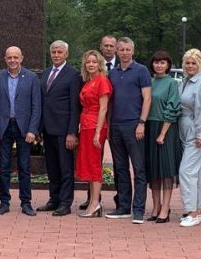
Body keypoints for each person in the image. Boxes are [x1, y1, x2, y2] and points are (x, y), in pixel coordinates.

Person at [0, 46, 42, 216]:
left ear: (22, 58)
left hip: (24, 128)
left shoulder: (32, 77)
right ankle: (4, 202)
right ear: (5, 59)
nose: (12, 60)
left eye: (15, 57)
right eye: (9, 57)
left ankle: (26, 203)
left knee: (24, 166)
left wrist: (33, 129)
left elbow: (36, 106)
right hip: (4, 127)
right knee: (4, 167)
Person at [105, 37, 152, 224]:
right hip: (116, 126)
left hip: (134, 125)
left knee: (139, 169)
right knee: (120, 168)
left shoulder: (141, 71)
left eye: (127, 50)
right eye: (121, 49)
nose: (124, 53)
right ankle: (123, 206)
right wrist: (108, 125)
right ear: (117, 51)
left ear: (133, 51)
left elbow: (147, 99)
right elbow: (109, 102)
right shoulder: (113, 73)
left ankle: (138, 209)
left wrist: (142, 122)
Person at [39, 40, 81, 216]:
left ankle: (65, 202)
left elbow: (74, 106)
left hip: (64, 131)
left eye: (59, 52)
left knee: (65, 168)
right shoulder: (46, 72)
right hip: (48, 129)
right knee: (52, 167)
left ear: (66, 54)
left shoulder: (73, 75)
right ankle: (54, 199)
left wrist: (72, 132)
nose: (56, 55)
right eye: (54, 52)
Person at [177, 49, 201, 228]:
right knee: (195, 171)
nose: (190, 66)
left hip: (197, 131)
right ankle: (199, 211)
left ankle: (190, 211)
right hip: (185, 130)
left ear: (200, 65)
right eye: (187, 63)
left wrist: (200, 133)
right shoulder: (184, 81)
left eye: (193, 63)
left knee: (186, 171)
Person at [145, 50, 182, 223]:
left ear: (168, 65)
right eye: (156, 62)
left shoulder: (172, 83)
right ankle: (156, 206)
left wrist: (162, 133)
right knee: (153, 169)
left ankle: (165, 208)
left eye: (163, 62)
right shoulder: (149, 82)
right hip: (149, 126)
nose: (159, 65)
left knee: (165, 170)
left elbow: (173, 107)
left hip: (165, 128)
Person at [75, 49, 111, 218]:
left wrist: (97, 132)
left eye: (94, 62)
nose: (91, 64)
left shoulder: (102, 81)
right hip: (86, 125)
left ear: (100, 64)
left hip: (96, 125)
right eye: (88, 62)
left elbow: (104, 108)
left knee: (95, 164)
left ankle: (95, 203)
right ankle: (92, 202)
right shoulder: (88, 81)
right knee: (89, 163)